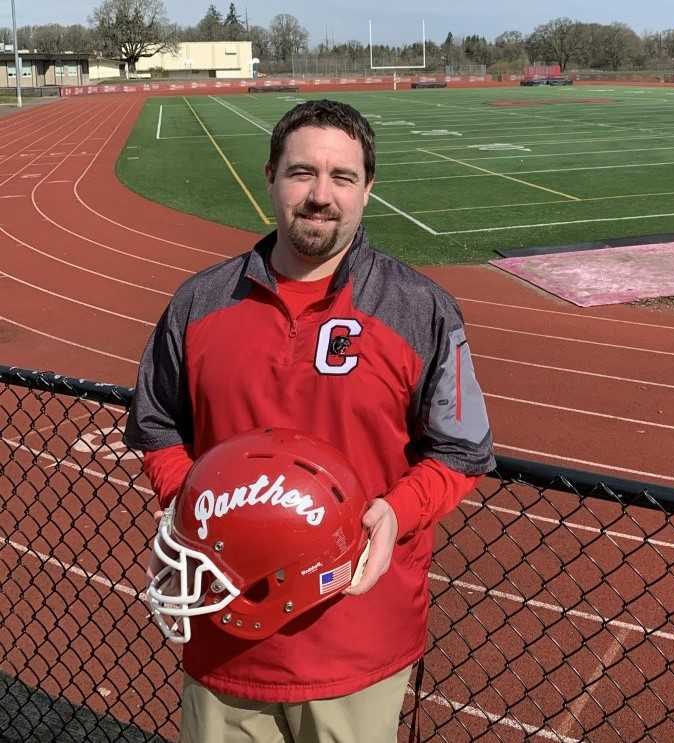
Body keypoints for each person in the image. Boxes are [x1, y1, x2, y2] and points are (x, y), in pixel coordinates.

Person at [123, 99, 495, 743]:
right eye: (302, 173)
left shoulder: (420, 309)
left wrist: (397, 512)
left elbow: (461, 450)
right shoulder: (199, 302)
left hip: (356, 641)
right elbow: (156, 424)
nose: (320, 196)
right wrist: (199, 504)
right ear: (269, 176)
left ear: (368, 190)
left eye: (342, 177)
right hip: (223, 633)